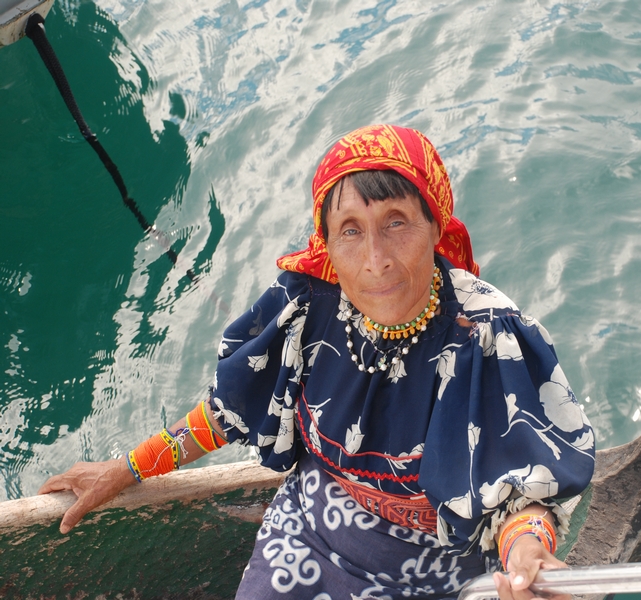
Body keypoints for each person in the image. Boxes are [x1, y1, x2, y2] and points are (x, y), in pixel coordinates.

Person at [40, 124, 596, 600]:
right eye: (350, 231)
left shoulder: (486, 335)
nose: (375, 260)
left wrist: (528, 552)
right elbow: (228, 411)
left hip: (436, 572)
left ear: (435, 224)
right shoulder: (306, 306)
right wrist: (127, 469)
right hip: (309, 533)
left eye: (396, 222)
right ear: (326, 242)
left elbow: (523, 490)